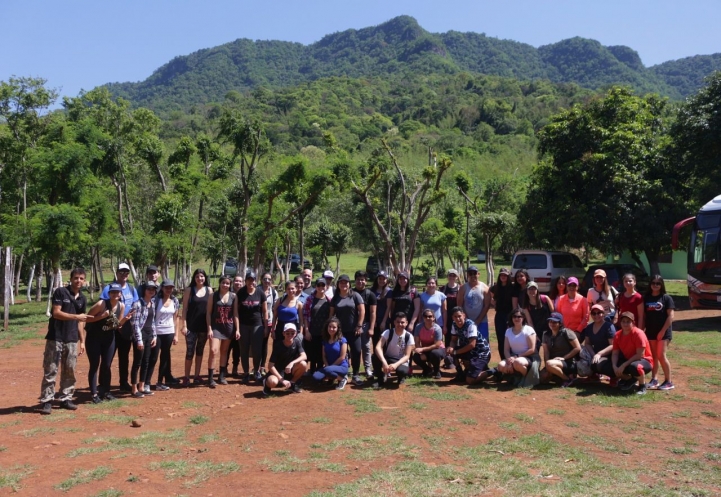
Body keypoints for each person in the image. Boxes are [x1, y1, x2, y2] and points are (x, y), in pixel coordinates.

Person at [38, 268, 89, 414]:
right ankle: (47, 400)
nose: (78, 281)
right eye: (76, 278)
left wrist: (82, 341)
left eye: (81, 278)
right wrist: (76, 317)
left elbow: (81, 322)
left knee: (70, 369)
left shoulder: (82, 298)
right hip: (56, 337)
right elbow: (56, 313)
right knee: (51, 369)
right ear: (71, 279)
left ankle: (66, 398)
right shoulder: (61, 292)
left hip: (72, 339)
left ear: (84, 280)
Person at [84, 282, 131, 403]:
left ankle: (106, 391)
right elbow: (86, 318)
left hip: (109, 338)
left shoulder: (121, 306)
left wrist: (125, 319)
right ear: (109, 294)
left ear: (121, 294)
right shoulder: (102, 304)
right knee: (94, 365)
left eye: (117, 292)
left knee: (107, 365)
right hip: (94, 338)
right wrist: (102, 316)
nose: (115, 294)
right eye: (113, 292)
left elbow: (117, 325)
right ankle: (94, 394)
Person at [100, 263, 138, 392]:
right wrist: (115, 324)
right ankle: (103, 384)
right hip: (111, 326)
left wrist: (126, 323)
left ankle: (123, 382)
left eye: (126, 272)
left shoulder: (132, 289)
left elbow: (135, 306)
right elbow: (103, 306)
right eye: (122, 272)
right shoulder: (108, 288)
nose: (124, 274)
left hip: (126, 327)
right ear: (116, 272)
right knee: (107, 357)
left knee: (124, 356)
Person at [330, 274, 365, 385]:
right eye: (341, 282)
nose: (343, 284)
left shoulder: (355, 295)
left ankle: (355, 375)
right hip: (340, 332)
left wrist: (359, 326)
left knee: (356, 351)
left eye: (346, 282)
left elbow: (362, 311)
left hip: (354, 330)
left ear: (349, 284)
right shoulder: (335, 298)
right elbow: (331, 315)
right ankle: (342, 374)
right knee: (341, 353)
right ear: (338, 284)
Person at [206, 275, 240, 387]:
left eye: (227, 283)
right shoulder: (213, 296)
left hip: (228, 327)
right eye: (223, 283)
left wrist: (237, 329)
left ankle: (221, 376)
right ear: (220, 284)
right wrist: (209, 328)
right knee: (213, 350)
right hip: (216, 327)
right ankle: (210, 378)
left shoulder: (233, 296)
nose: (225, 285)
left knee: (224, 351)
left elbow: (235, 313)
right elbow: (208, 313)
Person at [447, 307, 494, 385]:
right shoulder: (454, 324)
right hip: (470, 352)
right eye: (455, 317)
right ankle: (460, 374)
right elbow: (453, 340)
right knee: (452, 352)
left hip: (481, 353)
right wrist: (451, 347)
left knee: (470, 380)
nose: (458, 319)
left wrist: (455, 352)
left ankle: (494, 371)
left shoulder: (471, 325)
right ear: (452, 318)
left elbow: (472, 345)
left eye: (459, 316)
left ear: (464, 315)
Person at [181, 269, 213, 386]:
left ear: (205, 278)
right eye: (198, 276)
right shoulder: (189, 290)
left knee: (200, 352)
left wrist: (210, 327)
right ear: (194, 278)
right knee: (190, 352)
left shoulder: (209, 290)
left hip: (204, 327)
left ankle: (197, 375)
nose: (200, 278)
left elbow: (210, 310)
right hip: (191, 327)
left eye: (202, 276)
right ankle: (186, 377)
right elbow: (184, 309)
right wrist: (184, 325)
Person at [644, 275, 675, 390]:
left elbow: (671, 316)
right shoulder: (646, 298)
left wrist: (662, 331)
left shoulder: (666, 298)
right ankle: (654, 379)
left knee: (661, 355)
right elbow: (644, 315)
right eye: (653, 283)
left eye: (658, 283)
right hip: (650, 331)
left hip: (663, 332)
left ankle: (669, 381)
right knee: (653, 356)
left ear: (661, 285)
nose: (655, 285)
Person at [610, 311, 654, 395]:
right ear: (620, 322)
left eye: (628, 322)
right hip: (629, 360)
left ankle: (642, 385)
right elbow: (615, 353)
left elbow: (639, 355)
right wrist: (614, 366)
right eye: (623, 321)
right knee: (609, 366)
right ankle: (630, 379)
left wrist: (623, 365)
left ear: (633, 322)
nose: (625, 324)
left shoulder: (638, 333)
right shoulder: (617, 335)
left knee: (635, 367)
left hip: (644, 360)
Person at [237, 271, 269, 383]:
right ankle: (246, 373)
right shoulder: (241, 293)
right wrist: (237, 328)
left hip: (257, 325)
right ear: (245, 281)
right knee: (244, 349)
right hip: (243, 325)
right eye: (249, 279)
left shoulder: (260, 293)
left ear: (256, 281)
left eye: (253, 279)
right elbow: (236, 311)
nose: (251, 282)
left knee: (257, 350)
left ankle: (256, 371)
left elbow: (265, 311)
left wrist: (265, 327)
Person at [262, 323, 308, 396]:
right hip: (277, 372)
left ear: (296, 333)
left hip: (289, 371)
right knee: (273, 382)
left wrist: (292, 363)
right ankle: (266, 384)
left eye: (292, 333)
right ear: (283, 333)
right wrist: (281, 380)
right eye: (287, 333)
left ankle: (292, 384)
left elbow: (304, 356)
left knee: (303, 364)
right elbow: (270, 365)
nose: (290, 335)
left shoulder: (297, 342)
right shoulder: (278, 345)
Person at [130, 281, 159, 397]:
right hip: (140, 335)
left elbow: (152, 322)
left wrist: (155, 336)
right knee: (137, 362)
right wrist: (139, 339)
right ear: (144, 290)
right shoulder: (137, 304)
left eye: (153, 289)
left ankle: (142, 386)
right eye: (149, 289)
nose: (151, 291)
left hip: (149, 334)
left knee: (146, 361)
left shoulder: (152, 303)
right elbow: (134, 323)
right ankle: (134, 388)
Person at [496, 308, 538, 386]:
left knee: (517, 362)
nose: (516, 318)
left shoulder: (528, 330)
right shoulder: (508, 331)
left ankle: (526, 378)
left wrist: (516, 357)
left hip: (528, 356)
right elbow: (506, 350)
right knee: (501, 366)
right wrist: (509, 361)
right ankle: (517, 377)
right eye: (514, 316)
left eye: (519, 316)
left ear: (523, 318)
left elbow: (532, 349)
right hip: (514, 357)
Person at [374, 312, 415, 388]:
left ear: (406, 323)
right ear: (394, 322)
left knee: (402, 371)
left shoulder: (409, 336)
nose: (400, 324)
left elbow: (407, 356)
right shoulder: (388, 332)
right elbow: (378, 347)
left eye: (402, 322)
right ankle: (381, 378)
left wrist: (396, 365)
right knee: (375, 357)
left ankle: (401, 377)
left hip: (401, 360)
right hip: (388, 357)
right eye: (398, 322)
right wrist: (384, 362)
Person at [541, 313, 581, 387]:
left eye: (555, 322)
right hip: (553, 362)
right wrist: (547, 367)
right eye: (550, 321)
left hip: (569, 362)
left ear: (560, 323)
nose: (552, 324)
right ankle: (560, 376)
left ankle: (567, 379)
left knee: (550, 364)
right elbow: (546, 351)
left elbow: (577, 348)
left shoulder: (567, 332)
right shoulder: (545, 334)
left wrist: (564, 358)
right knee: (542, 378)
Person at [302, 278, 332, 374]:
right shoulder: (310, 299)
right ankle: (312, 370)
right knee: (312, 352)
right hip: (312, 330)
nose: (321, 287)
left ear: (326, 287)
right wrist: (306, 330)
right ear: (316, 287)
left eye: (323, 285)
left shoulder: (329, 301)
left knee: (321, 352)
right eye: (319, 285)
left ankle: (319, 371)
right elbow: (305, 316)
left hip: (324, 332)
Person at [154, 280, 180, 390]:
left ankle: (160, 382)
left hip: (169, 332)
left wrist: (176, 335)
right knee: (153, 357)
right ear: (162, 288)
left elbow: (176, 318)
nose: (168, 289)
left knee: (165, 357)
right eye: (166, 287)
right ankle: (145, 382)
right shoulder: (156, 300)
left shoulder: (175, 300)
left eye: (171, 287)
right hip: (157, 332)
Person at [580, 304, 616, 382]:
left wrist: (599, 354)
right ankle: (594, 374)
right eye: (594, 313)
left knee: (597, 363)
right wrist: (593, 354)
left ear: (603, 314)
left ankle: (614, 376)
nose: (596, 315)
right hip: (595, 353)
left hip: (609, 355)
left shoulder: (609, 326)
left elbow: (612, 345)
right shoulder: (589, 327)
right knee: (580, 353)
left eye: (599, 313)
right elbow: (587, 343)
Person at [312, 317, 349, 390]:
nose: (331, 329)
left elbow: (342, 357)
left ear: (338, 328)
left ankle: (342, 379)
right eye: (330, 327)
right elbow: (324, 356)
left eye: (334, 327)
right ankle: (331, 377)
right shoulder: (325, 340)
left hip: (341, 366)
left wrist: (329, 368)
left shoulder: (342, 340)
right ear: (327, 327)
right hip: (329, 367)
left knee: (328, 370)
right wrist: (327, 366)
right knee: (316, 377)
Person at [456, 265, 491, 342]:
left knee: (483, 342)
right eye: (470, 274)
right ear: (467, 275)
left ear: (478, 274)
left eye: (474, 273)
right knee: (467, 342)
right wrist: (467, 320)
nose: (472, 276)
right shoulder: (463, 288)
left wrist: (478, 320)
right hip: (466, 321)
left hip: (482, 321)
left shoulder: (485, 288)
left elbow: (486, 306)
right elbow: (459, 305)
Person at [354, 270, 377, 380]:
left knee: (366, 347)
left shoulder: (370, 294)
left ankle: (368, 369)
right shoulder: (350, 292)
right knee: (354, 349)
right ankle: (355, 370)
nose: (360, 282)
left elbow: (373, 312)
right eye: (358, 279)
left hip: (365, 325)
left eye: (362, 280)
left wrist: (371, 328)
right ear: (355, 281)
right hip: (352, 325)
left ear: (366, 281)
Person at [412, 310, 446, 379]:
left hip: (438, 349)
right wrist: (421, 353)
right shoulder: (418, 327)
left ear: (433, 318)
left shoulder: (437, 329)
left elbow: (437, 345)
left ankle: (437, 371)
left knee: (435, 353)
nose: (427, 318)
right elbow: (417, 342)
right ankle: (427, 369)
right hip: (425, 349)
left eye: (430, 316)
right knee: (416, 357)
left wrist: (422, 349)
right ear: (423, 318)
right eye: (425, 316)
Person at [371, 271, 392, 379]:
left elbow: (388, 307)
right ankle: (377, 368)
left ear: (386, 280)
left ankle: (386, 368)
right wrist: (372, 322)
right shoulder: (372, 291)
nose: (381, 280)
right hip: (374, 322)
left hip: (384, 321)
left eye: (384, 279)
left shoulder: (388, 291)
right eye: (380, 278)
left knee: (384, 345)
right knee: (375, 345)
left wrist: (384, 321)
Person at [490, 268, 514, 360]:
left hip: (510, 315)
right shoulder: (496, 287)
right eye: (501, 275)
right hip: (499, 315)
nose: (503, 277)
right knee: (501, 339)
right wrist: (494, 303)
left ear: (508, 276)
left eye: (505, 275)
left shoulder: (512, 287)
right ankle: (503, 360)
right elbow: (489, 296)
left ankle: (511, 360)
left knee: (510, 338)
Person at [523, 281, 554, 348]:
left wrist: (554, 328)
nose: (532, 291)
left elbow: (553, 313)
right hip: (536, 330)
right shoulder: (526, 305)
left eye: (534, 288)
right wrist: (535, 334)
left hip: (549, 328)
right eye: (530, 289)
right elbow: (530, 321)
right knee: (535, 349)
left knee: (550, 349)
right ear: (527, 291)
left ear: (537, 290)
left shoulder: (545, 298)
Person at [260, 272, 278, 374]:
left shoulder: (273, 292)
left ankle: (262, 366)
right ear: (261, 280)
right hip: (257, 321)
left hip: (269, 321)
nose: (267, 281)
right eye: (265, 279)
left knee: (264, 344)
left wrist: (273, 325)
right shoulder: (257, 290)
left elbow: (275, 309)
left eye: (269, 279)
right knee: (256, 345)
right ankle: (256, 366)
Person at [227, 275, 245, 377]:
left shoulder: (244, 293)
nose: (238, 283)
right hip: (228, 324)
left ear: (242, 283)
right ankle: (224, 367)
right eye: (236, 281)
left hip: (241, 324)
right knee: (227, 347)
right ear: (233, 282)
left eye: (240, 281)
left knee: (237, 348)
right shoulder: (228, 293)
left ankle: (235, 368)